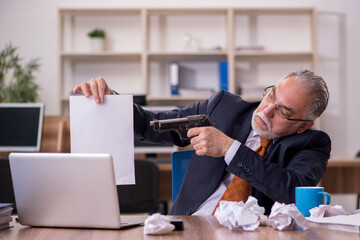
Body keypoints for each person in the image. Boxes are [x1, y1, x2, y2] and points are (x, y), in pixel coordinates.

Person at [73, 69, 331, 215]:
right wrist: (113, 101)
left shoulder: (313, 143)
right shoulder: (224, 108)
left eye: (283, 111)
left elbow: (293, 191)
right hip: (187, 227)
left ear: (303, 125)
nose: (266, 111)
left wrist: (230, 148)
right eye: (270, 96)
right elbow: (152, 125)